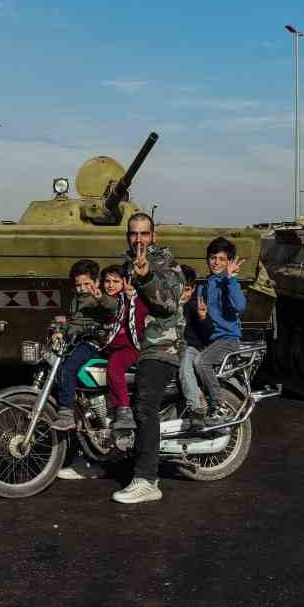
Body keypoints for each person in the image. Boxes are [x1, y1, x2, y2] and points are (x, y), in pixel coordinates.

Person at [111, 211, 186, 505]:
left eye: (144, 233)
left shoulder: (166, 264)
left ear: (153, 236)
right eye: (133, 233)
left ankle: (147, 480)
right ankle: (95, 457)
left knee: (144, 403)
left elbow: (168, 304)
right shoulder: (125, 265)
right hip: (132, 340)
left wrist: (146, 278)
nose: (139, 239)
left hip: (160, 344)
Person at [48, 259, 113, 433]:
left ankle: (66, 413)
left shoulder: (100, 297)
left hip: (90, 343)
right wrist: (60, 331)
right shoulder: (75, 298)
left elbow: (112, 306)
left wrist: (100, 297)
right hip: (74, 341)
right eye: (78, 285)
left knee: (68, 368)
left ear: (96, 282)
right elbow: (69, 319)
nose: (82, 288)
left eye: (87, 284)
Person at [192, 236, 247, 419]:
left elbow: (240, 306)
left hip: (227, 339)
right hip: (208, 339)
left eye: (222, 259)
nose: (216, 263)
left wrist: (230, 279)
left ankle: (218, 404)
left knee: (201, 362)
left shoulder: (229, 283)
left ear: (230, 262)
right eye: (213, 257)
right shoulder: (203, 285)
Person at [96, 264, 147, 433]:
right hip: (109, 346)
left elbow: (136, 318)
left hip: (128, 347)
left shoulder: (128, 299)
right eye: (107, 281)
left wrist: (130, 297)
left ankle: (124, 411)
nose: (110, 285)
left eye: (115, 281)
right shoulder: (106, 298)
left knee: (114, 369)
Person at [178, 263, 209, 421]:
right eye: (179, 289)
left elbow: (206, 335)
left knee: (185, 367)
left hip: (190, 348)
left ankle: (196, 407)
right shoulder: (167, 305)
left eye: (187, 290)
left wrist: (203, 317)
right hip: (170, 348)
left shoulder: (194, 307)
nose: (183, 294)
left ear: (193, 288)